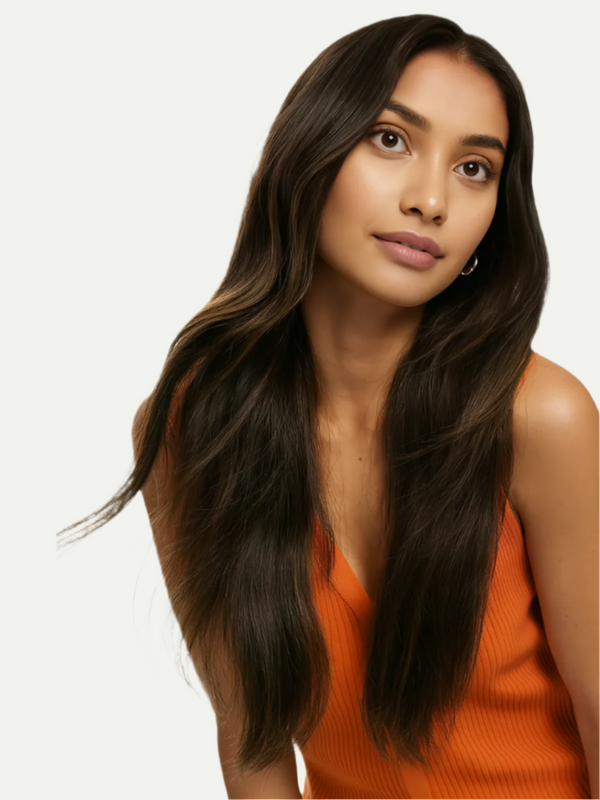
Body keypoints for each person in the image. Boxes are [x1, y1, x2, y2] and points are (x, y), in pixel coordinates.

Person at [57, 14, 599, 799]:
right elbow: (252, 737)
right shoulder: (191, 428)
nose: (431, 200)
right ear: (309, 151)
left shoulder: (537, 417)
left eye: (475, 168)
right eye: (391, 139)